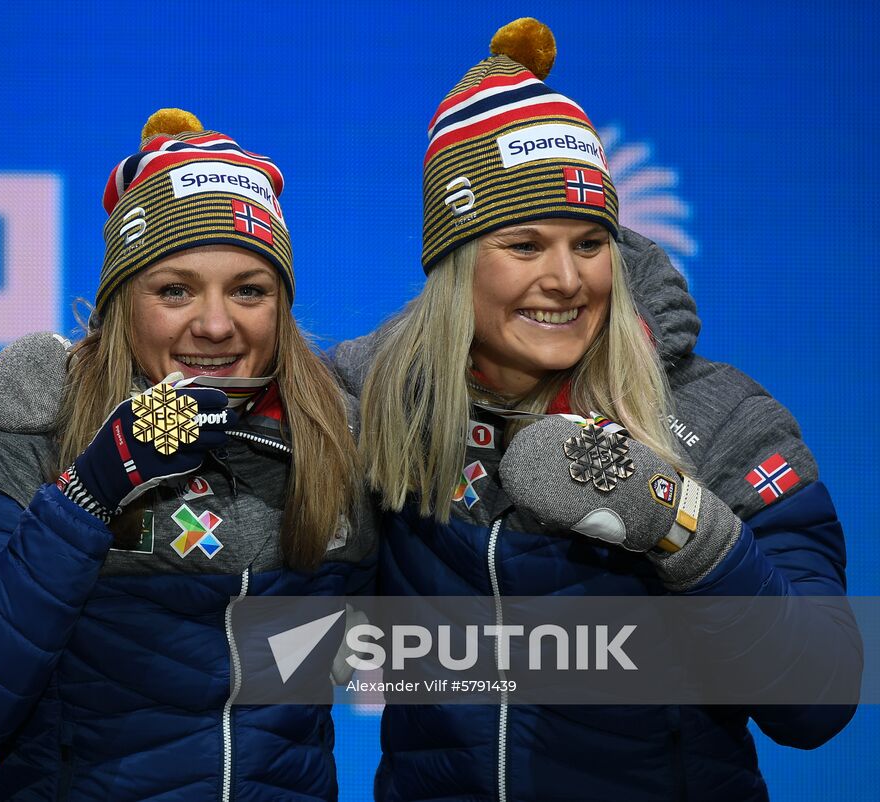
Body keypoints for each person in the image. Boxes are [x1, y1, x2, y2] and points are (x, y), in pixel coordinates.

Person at [334, 19, 858, 802]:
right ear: (454, 263)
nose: (565, 279)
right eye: (523, 245)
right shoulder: (378, 393)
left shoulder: (722, 419)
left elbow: (819, 699)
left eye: (589, 243)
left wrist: (682, 524)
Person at [0, 109, 375, 800]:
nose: (216, 324)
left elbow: (468, 663)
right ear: (122, 303)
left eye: (250, 290)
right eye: (175, 290)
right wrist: (85, 497)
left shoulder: (338, 436)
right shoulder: (35, 428)